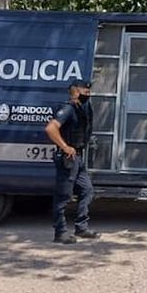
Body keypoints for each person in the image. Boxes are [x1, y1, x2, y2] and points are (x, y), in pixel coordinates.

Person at [45, 79, 99, 244]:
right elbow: (50, 128)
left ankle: (81, 228)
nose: (87, 95)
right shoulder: (68, 108)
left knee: (87, 190)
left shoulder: (83, 108)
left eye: (89, 93)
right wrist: (65, 146)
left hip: (78, 158)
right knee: (63, 196)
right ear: (74, 91)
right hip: (67, 157)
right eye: (84, 92)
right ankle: (60, 232)